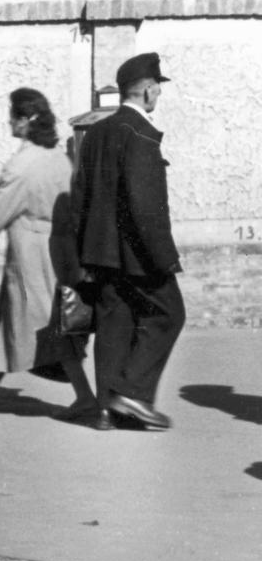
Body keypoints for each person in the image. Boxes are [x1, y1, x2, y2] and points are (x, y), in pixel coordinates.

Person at [71, 53, 184, 431]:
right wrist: (164, 257)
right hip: (138, 255)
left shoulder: (97, 132)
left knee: (113, 323)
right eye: (158, 89)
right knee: (170, 313)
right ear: (149, 90)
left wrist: (83, 253)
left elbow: (81, 194)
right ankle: (132, 393)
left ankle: (105, 410)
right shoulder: (140, 133)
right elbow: (143, 204)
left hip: (101, 253)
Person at [0, 88, 95, 418]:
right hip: (59, 251)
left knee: (40, 326)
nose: (8, 121)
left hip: (31, 255)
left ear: (24, 121)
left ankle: (84, 395)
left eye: (12, 115)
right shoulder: (58, 156)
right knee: (21, 322)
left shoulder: (22, 165)